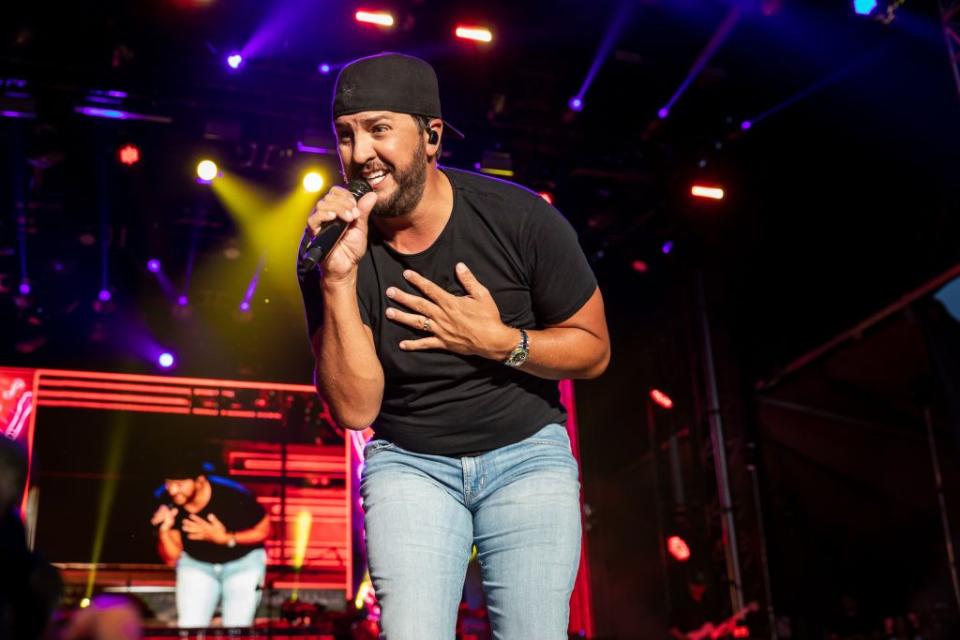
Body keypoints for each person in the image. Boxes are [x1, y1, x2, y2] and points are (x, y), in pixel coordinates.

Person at [297, 51, 610, 639]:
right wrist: (337, 280)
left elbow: (593, 350)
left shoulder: (519, 218)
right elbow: (355, 410)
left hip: (525, 457)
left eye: (379, 128)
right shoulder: (332, 249)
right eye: (345, 134)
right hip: (409, 464)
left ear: (432, 135)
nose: (360, 152)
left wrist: (501, 342)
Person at [150, 458, 270, 628]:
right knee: (190, 627)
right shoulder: (167, 500)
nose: (173, 490)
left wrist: (226, 538)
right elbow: (172, 558)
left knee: (236, 627)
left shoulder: (233, 495)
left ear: (199, 482)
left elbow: (264, 531)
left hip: (242, 563)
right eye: (169, 484)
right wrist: (164, 530)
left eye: (179, 484)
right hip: (197, 564)